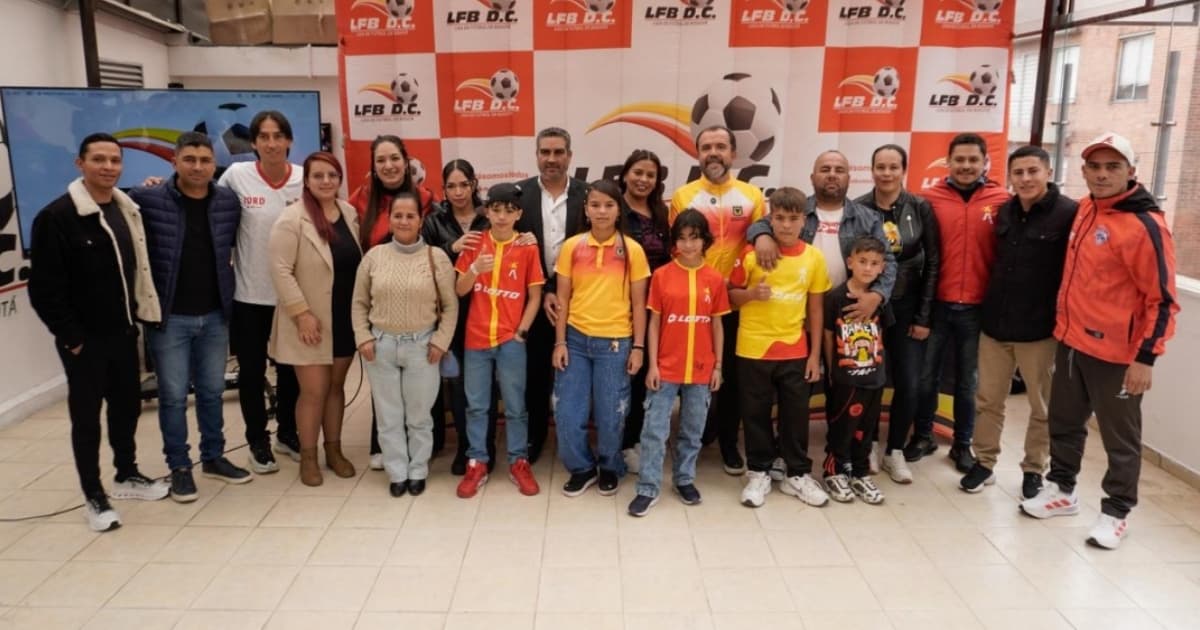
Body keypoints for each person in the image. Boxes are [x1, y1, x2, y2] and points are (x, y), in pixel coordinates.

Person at [1020, 132, 1179, 550]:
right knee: (1065, 423)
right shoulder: (1087, 209)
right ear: (1085, 171)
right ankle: (1063, 491)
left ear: (1131, 171)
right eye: (1095, 166)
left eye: (1113, 167)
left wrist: (1146, 358)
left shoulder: (1146, 224)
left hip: (1119, 356)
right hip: (1072, 342)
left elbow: (1162, 300)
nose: (1102, 174)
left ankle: (1116, 512)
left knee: (1119, 439)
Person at [29, 133, 169, 531]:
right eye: (99, 160)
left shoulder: (127, 208)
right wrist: (72, 337)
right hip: (84, 341)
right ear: (80, 164)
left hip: (125, 333)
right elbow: (44, 289)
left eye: (114, 160)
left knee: (126, 408)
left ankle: (127, 474)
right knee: (87, 419)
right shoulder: (57, 217)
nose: (108, 167)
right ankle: (94, 495)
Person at [747, 150, 897, 480]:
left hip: (852, 315)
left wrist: (877, 295)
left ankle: (844, 452)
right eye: (824, 169)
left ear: (849, 177)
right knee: (795, 390)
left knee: (845, 387)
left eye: (839, 169)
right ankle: (778, 457)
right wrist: (760, 236)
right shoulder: (801, 209)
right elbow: (763, 220)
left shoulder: (867, 216)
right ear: (813, 177)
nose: (832, 174)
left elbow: (888, 261)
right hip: (799, 313)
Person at [132, 132, 250, 502]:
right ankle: (180, 466)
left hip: (216, 314)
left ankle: (213, 457)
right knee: (172, 396)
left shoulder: (229, 201)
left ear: (214, 165)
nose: (198, 167)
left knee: (213, 392)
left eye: (205, 160)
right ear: (174, 162)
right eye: (190, 160)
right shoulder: (147, 199)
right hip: (170, 318)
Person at [962, 146, 1077, 497]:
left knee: (1041, 406)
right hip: (995, 324)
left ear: (1048, 172)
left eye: (1032, 171)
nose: (1025, 179)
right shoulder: (1004, 212)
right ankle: (983, 463)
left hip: (1040, 330)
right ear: (1010, 176)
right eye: (1019, 173)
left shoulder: (1069, 213)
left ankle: (1033, 469)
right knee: (988, 401)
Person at [906, 133, 1010, 473]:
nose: (966, 166)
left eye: (973, 160)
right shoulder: (928, 199)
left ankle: (963, 444)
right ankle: (922, 436)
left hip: (978, 309)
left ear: (985, 163)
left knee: (968, 382)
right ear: (947, 162)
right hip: (935, 304)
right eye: (959, 160)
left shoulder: (1002, 199)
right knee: (926, 378)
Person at [669, 125, 766, 475]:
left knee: (731, 378)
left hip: (736, 302)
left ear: (733, 152)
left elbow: (758, 241)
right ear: (697, 154)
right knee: (690, 372)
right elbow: (676, 247)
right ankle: (693, 434)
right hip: (695, 302)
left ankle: (727, 442)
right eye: (706, 147)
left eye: (720, 146)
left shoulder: (752, 195)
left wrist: (736, 277)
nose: (713, 152)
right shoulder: (683, 196)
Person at [730, 187, 831, 509]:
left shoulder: (814, 258)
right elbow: (730, 297)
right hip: (753, 348)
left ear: (804, 220)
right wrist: (750, 295)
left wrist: (815, 355)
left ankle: (797, 474)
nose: (786, 225)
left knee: (796, 416)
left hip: (795, 351)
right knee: (755, 414)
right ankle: (758, 471)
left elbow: (816, 309)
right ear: (769, 218)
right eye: (780, 218)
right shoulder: (749, 254)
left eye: (793, 218)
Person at [353, 193, 457, 498]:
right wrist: (363, 336)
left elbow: (450, 307)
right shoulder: (374, 256)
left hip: (422, 347)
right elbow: (358, 303)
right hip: (381, 346)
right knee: (388, 415)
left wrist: (440, 341)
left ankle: (418, 469)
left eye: (410, 216)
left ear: (420, 221)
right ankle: (397, 471)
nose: (403, 221)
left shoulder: (436, 257)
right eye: (398, 215)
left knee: (419, 414)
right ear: (390, 219)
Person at [268, 152, 362, 487]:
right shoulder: (292, 219)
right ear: (306, 180)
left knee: (336, 388)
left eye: (332, 176)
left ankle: (333, 450)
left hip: (344, 317)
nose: (326, 181)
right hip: (309, 320)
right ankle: (308, 457)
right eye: (318, 176)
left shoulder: (349, 213)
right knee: (313, 392)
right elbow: (279, 269)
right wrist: (301, 313)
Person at [552, 179, 650, 497]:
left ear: (619, 209)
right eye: (595, 204)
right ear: (586, 209)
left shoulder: (632, 250)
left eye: (608, 205)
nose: (602, 211)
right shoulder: (572, 247)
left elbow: (639, 304)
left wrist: (638, 347)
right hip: (576, 341)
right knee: (568, 411)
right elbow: (563, 299)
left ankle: (610, 465)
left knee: (612, 413)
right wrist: (560, 342)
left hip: (616, 344)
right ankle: (581, 467)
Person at [218, 110, 303, 474]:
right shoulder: (237, 176)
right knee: (251, 374)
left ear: (288, 141)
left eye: (278, 136)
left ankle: (287, 432)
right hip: (250, 295)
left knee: (291, 372)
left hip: (293, 297)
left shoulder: (303, 178)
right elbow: (203, 202)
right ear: (253, 143)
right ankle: (257, 441)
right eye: (264, 137)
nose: (271, 143)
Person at [628, 209, 728, 517]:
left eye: (694, 238)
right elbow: (654, 323)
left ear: (704, 241)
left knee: (693, 428)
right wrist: (653, 366)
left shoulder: (714, 279)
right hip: (666, 368)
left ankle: (684, 479)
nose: (688, 245)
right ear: (675, 242)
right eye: (682, 239)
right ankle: (648, 486)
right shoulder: (662, 276)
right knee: (654, 430)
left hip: (701, 369)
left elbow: (716, 325)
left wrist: (718, 366)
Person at [347, 135, 435, 472]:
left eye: (394, 158)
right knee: (385, 390)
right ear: (373, 166)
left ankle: (421, 451)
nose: (389, 165)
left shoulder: (426, 199)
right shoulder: (358, 202)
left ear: (406, 160)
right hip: (378, 309)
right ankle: (383, 445)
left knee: (418, 392)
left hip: (420, 312)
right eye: (381, 160)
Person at [853, 144, 939, 485]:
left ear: (903, 169)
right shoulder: (858, 208)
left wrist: (924, 316)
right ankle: (870, 443)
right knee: (870, 377)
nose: (886, 173)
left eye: (893, 167)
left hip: (908, 307)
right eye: (880, 167)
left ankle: (896, 451)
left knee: (909, 382)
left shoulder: (920, 207)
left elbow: (932, 263)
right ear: (871, 169)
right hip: (870, 308)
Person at [453, 183, 545, 498]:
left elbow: (535, 296)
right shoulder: (475, 243)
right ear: (487, 211)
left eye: (509, 210)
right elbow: (459, 291)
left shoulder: (528, 247)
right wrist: (475, 269)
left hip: (511, 341)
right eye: (496, 209)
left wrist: (521, 332)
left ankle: (519, 461)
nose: (502, 216)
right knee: (477, 406)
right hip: (476, 339)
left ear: (519, 213)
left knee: (517, 406)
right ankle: (477, 461)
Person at [514, 127, 587, 463]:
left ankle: (577, 438)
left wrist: (560, 291)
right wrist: (544, 291)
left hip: (581, 302)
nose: (552, 159)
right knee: (535, 375)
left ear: (570, 156)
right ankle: (535, 437)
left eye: (559, 152)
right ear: (537, 155)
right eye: (546, 152)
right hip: (533, 300)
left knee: (577, 375)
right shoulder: (520, 195)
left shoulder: (588, 196)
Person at [422, 159, 492, 475]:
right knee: (461, 386)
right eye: (451, 185)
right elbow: (424, 263)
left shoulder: (489, 216)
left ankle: (487, 446)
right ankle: (466, 448)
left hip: (489, 310)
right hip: (450, 312)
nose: (459, 191)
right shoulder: (433, 220)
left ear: (475, 184)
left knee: (487, 384)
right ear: (444, 189)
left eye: (464, 184)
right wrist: (453, 247)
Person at [822, 236, 890, 505]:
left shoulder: (879, 301)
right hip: (845, 377)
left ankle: (859, 472)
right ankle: (834, 470)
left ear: (882, 268)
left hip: (874, 377)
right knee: (844, 424)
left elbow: (885, 335)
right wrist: (831, 369)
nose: (867, 268)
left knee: (867, 427)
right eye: (862, 261)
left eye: (874, 263)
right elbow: (828, 335)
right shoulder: (835, 297)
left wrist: (881, 369)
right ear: (850, 262)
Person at [618, 149, 671, 474]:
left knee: (647, 374)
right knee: (624, 375)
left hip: (657, 308)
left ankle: (638, 439)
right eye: (638, 172)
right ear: (625, 174)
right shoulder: (613, 209)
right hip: (619, 305)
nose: (643, 179)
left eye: (650, 175)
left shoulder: (661, 212)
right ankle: (621, 443)